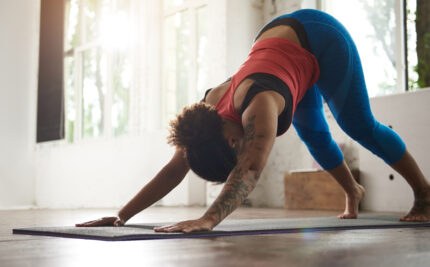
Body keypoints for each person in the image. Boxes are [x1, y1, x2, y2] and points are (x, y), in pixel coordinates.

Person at [76, 9, 430, 233]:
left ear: (232, 142)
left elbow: (249, 170)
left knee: (358, 125)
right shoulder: (206, 118)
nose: (241, 149)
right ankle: (353, 191)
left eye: (236, 151)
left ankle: (425, 193)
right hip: (278, 44)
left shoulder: (258, 105)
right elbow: (173, 169)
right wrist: (122, 216)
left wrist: (208, 218)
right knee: (314, 136)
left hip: (322, 38)